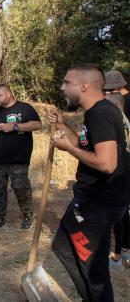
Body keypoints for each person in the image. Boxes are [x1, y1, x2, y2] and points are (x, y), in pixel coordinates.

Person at [49, 64, 130, 301]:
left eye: (67, 82)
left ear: (84, 86)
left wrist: (70, 148)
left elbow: (107, 164)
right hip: (101, 200)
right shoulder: (99, 111)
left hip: (97, 205)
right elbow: (87, 146)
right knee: (63, 248)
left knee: (93, 273)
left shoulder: (100, 114)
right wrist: (63, 127)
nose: (62, 87)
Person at [0, 84, 42, 229]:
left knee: (21, 188)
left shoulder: (24, 108)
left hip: (18, 160)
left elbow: (37, 124)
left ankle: (27, 216)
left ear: (8, 94)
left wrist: (15, 126)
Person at [104, 92, 130, 269]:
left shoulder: (116, 123)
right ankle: (125, 250)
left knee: (117, 217)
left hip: (119, 175)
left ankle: (116, 256)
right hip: (125, 173)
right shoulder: (126, 121)